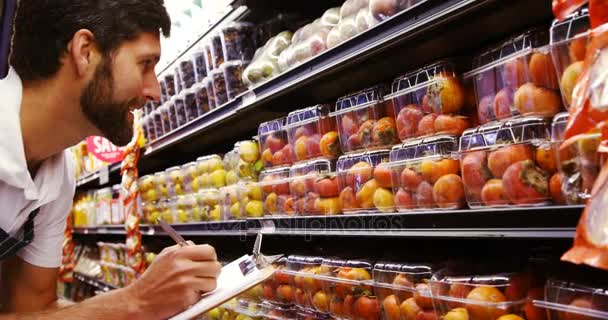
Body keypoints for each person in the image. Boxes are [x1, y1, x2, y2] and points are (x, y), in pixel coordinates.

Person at [0, 0, 221, 319]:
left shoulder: (58, 175)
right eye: (145, 64)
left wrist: (150, 303)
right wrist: (136, 302)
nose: (154, 91)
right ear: (85, 51)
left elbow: (31, 311)